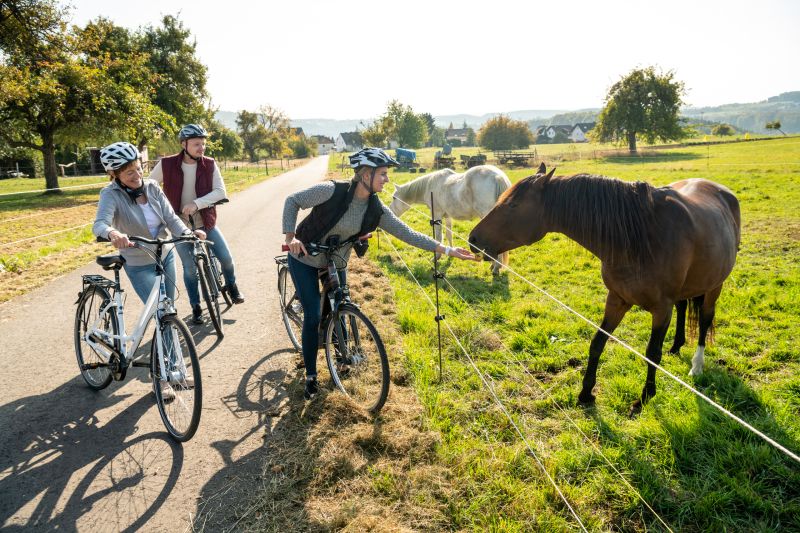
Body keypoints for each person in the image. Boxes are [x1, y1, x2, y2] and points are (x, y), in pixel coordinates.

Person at [283, 147, 477, 400]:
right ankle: (311, 376)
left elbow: (407, 233)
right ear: (365, 174)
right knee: (311, 315)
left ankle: (340, 354)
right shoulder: (332, 191)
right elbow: (292, 201)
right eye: (383, 174)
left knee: (340, 304)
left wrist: (447, 249)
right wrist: (291, 237)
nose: (387, 179)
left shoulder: (375, 208)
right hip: (305, 257)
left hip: (336, 259)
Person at [93, 142, 205, 397]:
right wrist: (112, 233)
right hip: (137, 261)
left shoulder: (153, 188)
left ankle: (176, 370)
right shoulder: (110, 194)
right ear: (115, 176)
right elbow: (99, 223)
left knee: (169, 312)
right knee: (160, 314)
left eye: (137, 168)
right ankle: (164, 378)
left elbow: (171, 219)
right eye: (128, 172)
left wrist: (188, 233)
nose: (137, 175)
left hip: (163, 255)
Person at [149, 124, 245, 326]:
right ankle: (196, 307)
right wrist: (161, 210)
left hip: (205, 222)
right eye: (196, 144)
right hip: (178, 225)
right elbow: (149, 187)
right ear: (184, 145)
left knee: (226, 258)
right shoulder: (166, 164)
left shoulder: (209, 164)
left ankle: (231, 285)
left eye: (203, 144)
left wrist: (196, 203)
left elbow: (220, 192)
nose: (201, 148)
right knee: (190, 269)